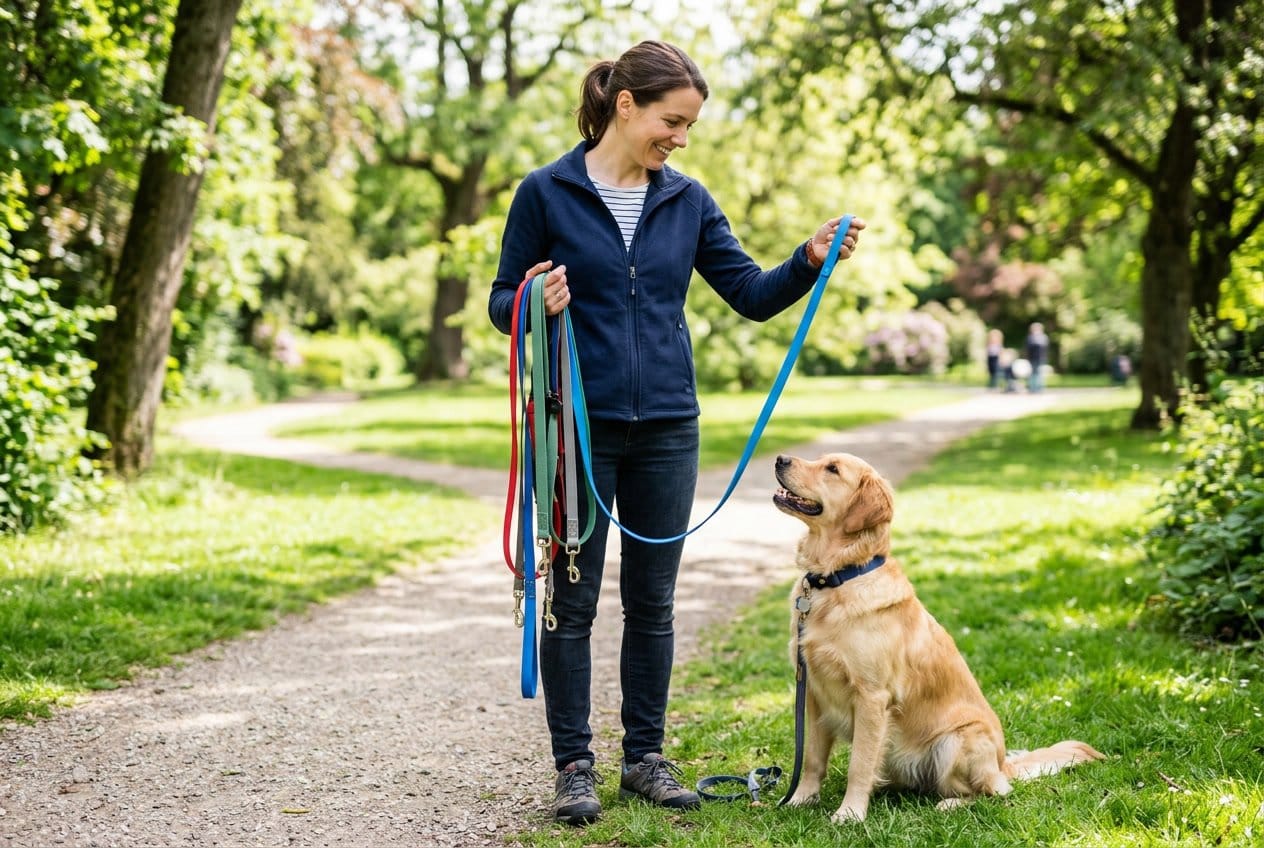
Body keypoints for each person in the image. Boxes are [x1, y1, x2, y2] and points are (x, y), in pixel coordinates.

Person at [487, 40, 865, 827]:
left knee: (653, 602)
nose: (680, 139)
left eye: (688, 126)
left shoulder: (687, 201)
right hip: (576, 427)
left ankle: (645, 760)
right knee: (574, 599)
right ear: (625, 105)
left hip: (666, 425)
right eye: (672, 121)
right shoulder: (545, 193)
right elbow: (500, 304)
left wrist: (806, 259)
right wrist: (530, 298)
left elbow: (752, 294)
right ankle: (574, 767)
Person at [1025, 321, 1050, 392]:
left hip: (1041, 358)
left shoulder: (1043, 337)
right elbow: (1027, 348)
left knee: (1039, 373)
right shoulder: (1030, 338)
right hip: (1032, 358)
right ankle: (1032, 388)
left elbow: (1045, 348)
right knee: (1033, 373)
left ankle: (1039, 388)